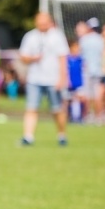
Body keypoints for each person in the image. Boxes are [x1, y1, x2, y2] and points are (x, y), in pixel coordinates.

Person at [19, 12, 69, 146]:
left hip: (53, 79)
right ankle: (28, 137)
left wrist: (62, 78)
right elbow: (23, 57)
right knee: (31, 108)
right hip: (34, 79)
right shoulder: (30, 37)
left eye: (45, 23)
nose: (43, 26)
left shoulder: (57, 36)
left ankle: (62, 135)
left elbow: (63, 58)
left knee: (57, 109)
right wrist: (32, 58)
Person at [76, 18, 105, 124]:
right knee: (97, 95)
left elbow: (81, 55)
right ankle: (99, 117)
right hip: (98, 70)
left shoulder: (84, 39)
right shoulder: (100, 39)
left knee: (87, 95)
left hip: (87, 70)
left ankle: (88, 116)